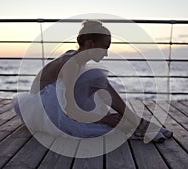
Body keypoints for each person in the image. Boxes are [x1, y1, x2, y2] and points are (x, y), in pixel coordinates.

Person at [13, 20, 172, 143]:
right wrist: (102, 118)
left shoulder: (76, 59)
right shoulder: (71, 64)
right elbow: (69, 108)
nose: (106, 54)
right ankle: (141, 126)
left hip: (56, 101)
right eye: (105, 48)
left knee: (96, 80)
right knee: (99, 94)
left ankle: (140, 124)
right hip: (45, 108)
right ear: (90, 43)